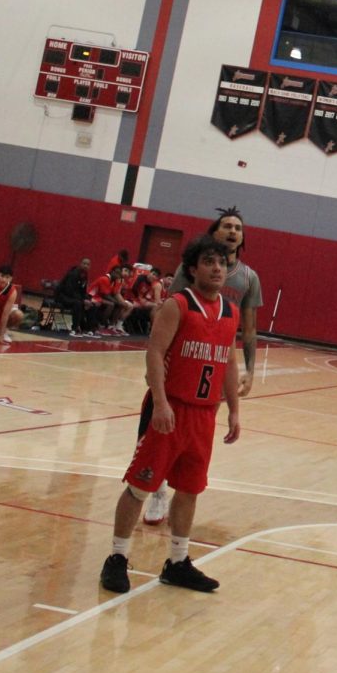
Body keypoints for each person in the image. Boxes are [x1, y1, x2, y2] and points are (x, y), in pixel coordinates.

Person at [99, 235, 241, 594]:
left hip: (204, 413)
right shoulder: (178, 305)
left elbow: (228, 361)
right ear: (192, 269)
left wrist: (235, 410)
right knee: (140, 485)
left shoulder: (230, 311)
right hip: (170, 408)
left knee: (190, 489)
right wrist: (160, 403)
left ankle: (178, 561)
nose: (217, 269)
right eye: (209, 262)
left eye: (222, 263)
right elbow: (153, 353)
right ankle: (116, 557)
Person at [144, 207, 260, 526]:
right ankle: (155, 490)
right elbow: (170, 308)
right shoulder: (191, 269)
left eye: (238, 227)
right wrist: (158, 358)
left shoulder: (249, 278)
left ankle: (178, 519)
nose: (233, 231)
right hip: (181, 356)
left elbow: (249, 329)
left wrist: (249, 369)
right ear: (215, 232)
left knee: (192, 448)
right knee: (158, 432)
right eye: (226, 226)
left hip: (214, 361)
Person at [54, 258, 98, 337]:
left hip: (74, 297)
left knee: (92, 305)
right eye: (84, 263)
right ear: (80, 264)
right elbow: (69, 291)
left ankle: (89, 329)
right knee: (78, 304)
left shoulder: (84, 276)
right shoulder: (73, 274)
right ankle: (74, 329)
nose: (85, 266)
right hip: (63, 296)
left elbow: (83, 292)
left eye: (88, 264)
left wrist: (88, 300)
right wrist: (83, 300)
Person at [89, 264, 132, 336]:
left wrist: (118, 302)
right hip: (92, 296)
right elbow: (105, 295)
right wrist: (116, 302)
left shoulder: (113, 280)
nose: (118, 275)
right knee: (111, 304)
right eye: (117, 273)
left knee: (119, 305)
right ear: (112, 272)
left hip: (100, 297)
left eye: (119, 273)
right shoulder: (105, 279)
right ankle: (101, 326)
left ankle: (111, 327)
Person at [0, 265, 25, 344]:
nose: (4, 279)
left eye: (7, 277)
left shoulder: (12, 291)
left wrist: (1, 336)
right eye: (2, 276)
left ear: (11, 279)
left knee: (18, 315)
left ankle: (3, 330)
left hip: (1, 311)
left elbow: (5, 314)